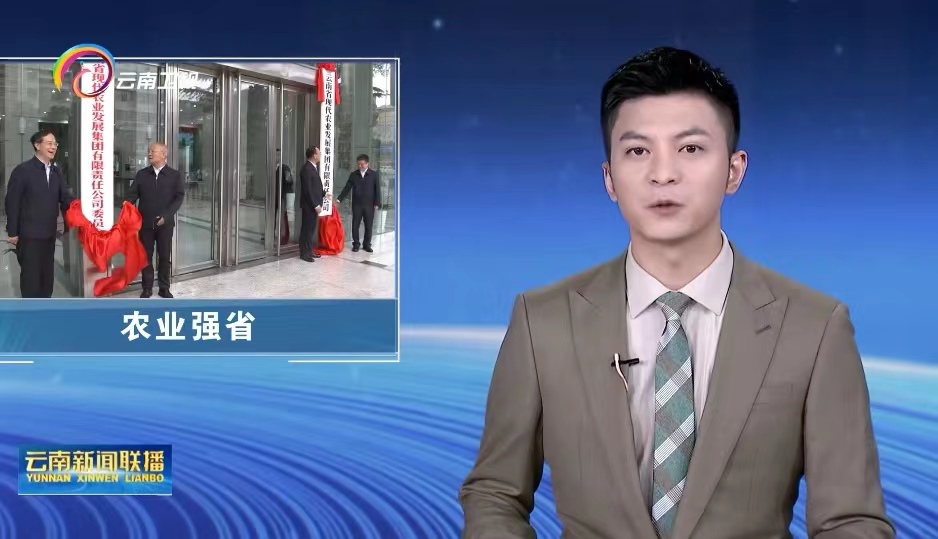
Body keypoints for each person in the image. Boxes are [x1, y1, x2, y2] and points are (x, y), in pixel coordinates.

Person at [459, 47, 894, 538]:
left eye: (690, 149)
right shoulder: (542, 322)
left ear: (734, 170)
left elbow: (852, 521)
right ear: (609, 178)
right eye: (637, 151)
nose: (663, 174)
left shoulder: (814, 328)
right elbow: (495, 493)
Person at [4, 130, 74, 298]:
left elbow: (65, 197)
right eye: (49, 143)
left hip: (49, 234)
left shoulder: (56, 171)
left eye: (55, 144)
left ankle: (45, 308)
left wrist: (78, 210)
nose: (53, 147)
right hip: (29, 235)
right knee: (31, 279)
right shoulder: (23, 170)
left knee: (46, 278)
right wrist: (13, 231)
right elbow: (12, 202)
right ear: (37, 145)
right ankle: (30, 311)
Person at [124, 142, 184, 298]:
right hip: (145, 224)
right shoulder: (142, 174)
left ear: (164, 154)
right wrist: (125, 206)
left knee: (164, 257)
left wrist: (167, 216)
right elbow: (131, 195)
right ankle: (147, 288)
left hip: (165, 224)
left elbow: (179, 198)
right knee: (146, 257)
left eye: (153, 151)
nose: (149, 153)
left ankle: (164, 287)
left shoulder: (174, 175)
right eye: (149, 151)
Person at [336, 154, 380, 252]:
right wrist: (339, 199)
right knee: (355, 225)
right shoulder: (353, 175)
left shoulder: (373, 175)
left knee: (368, 226)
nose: (360, 166)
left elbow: (377, 189)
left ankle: (367, 244)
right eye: (358, 164)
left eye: (362, 164)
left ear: (367, 163)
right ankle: (356, 244)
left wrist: (377, 203)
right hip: (357, 205)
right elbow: (347, 188)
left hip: (369, 205)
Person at [299, 146, 325, 262]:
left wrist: (324, 194)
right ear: (314, 155)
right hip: (309, 206)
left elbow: (315, 187)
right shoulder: (307, 169)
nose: (320, 155)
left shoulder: (312, 167)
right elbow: (308, 189)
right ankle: (304, 253)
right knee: (307, 230)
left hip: (313, 205)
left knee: (310, 229)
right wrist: (315, 205)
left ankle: (309, 251)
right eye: (319, 153)